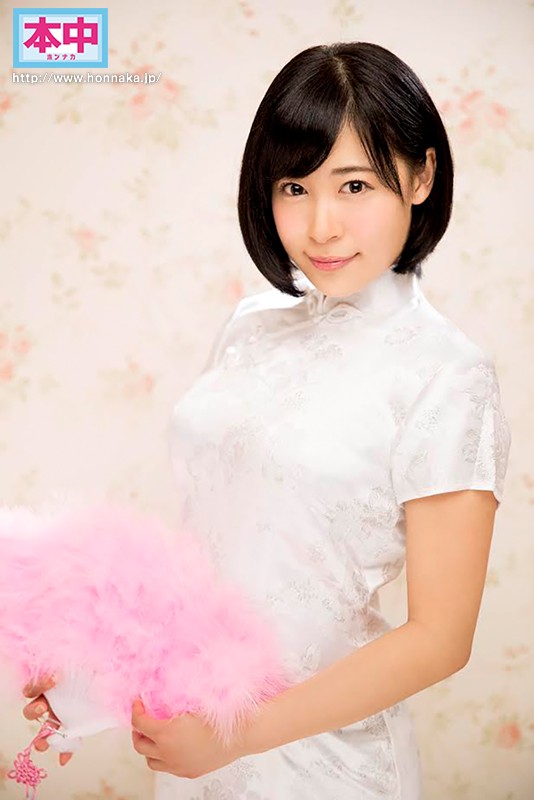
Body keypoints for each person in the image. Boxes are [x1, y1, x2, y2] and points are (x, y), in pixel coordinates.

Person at [23, 41, 511, 799]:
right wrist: (95, 667)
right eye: (294, 187)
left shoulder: (446, 373)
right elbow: (215, 545)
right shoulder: (251, 325)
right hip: (191, 743)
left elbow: (439, 639)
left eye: (355, 185)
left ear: (421, 176)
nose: (321, 226)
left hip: (324, 763)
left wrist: (236, 736)